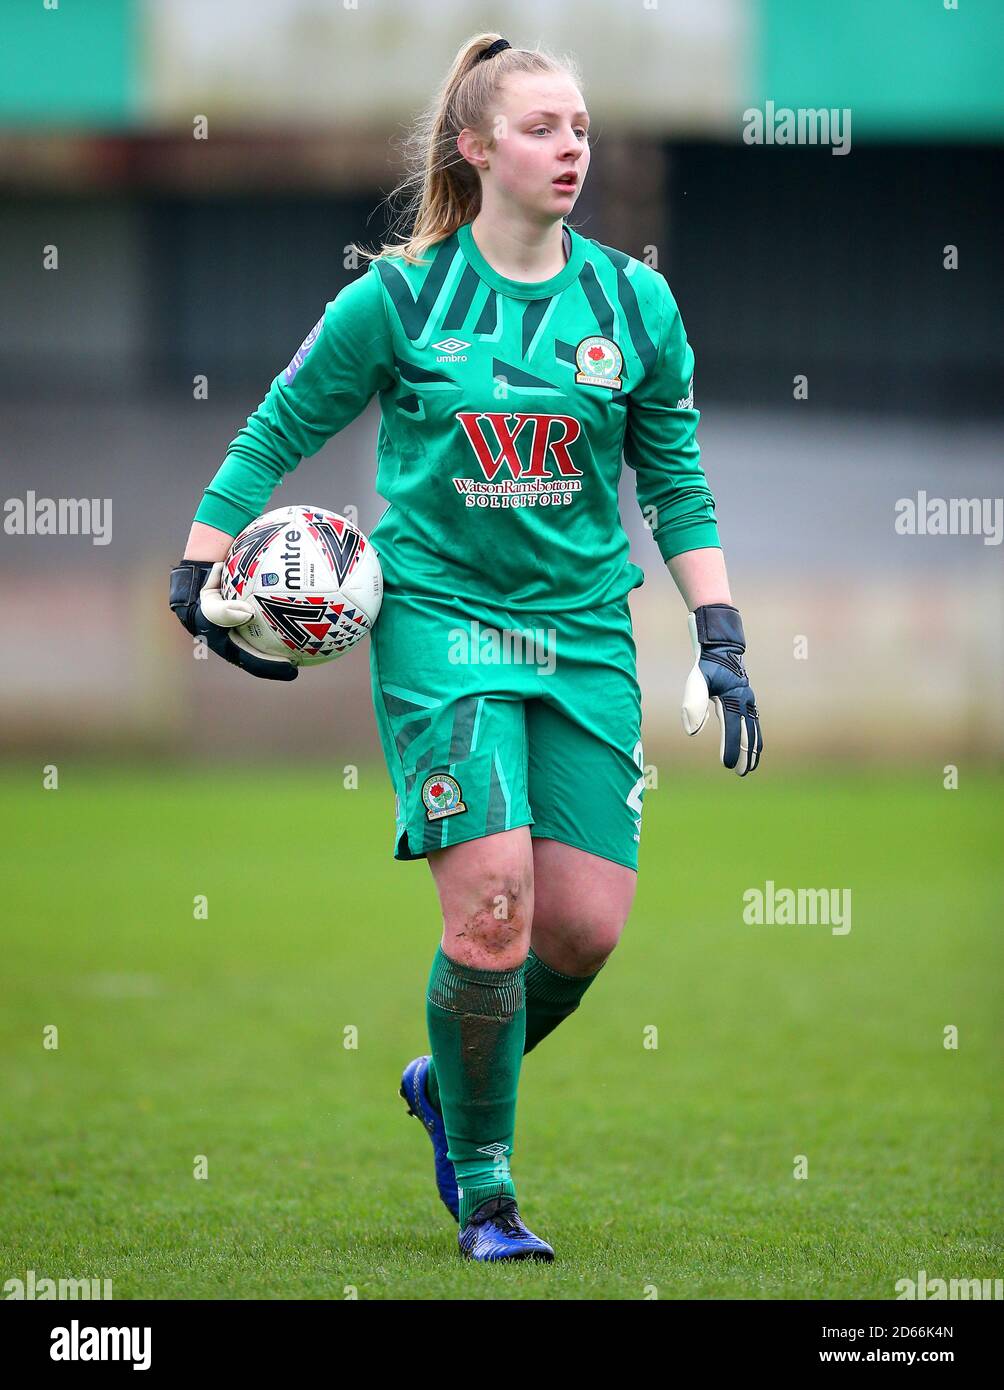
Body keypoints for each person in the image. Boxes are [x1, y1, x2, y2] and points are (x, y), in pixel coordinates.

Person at [168, 33, 763, 1264]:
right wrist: (196, 563)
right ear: (474, 146)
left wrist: (718, 628)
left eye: (581, 129)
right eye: (543, 128)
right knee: (494, 904)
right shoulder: (395, 298)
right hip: (438, 625)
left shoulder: (631, 303)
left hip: (587, 634)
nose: (570, 150)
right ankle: (486, 1195)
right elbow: (280, 420)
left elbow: (675, 479)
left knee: (582, 928)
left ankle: (447, 1082)